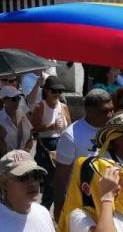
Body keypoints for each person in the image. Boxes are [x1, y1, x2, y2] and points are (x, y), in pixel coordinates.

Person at [53, 89, 115, 215]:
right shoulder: (71, 136)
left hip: (112, 199)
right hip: (82, 206)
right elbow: (60, 179)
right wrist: (59, 213)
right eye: (104, 111)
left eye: (111, 110)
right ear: (89, 111)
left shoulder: (113, 130)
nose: (110, 115)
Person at [58, 158, 123, 232]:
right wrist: (107, 196)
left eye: (117, 182)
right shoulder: (78, 215)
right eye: (109, 183)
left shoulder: (116, 210)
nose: (118, 188)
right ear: (86, 188)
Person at [0, 150, 54, 232]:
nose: (33, 183)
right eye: (23, 177)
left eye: (36, 175)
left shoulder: (43, 213)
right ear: (4, 183)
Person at [32, 78, 71, 208]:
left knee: (63, 181)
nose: (57, 94)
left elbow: (70, 127)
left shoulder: (63, 106)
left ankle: (60, 213)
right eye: (54, 91)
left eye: (60, 91)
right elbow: (33, 129)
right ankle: (45, 211)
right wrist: (50, 127)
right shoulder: (40, 106)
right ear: (47, 91)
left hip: (62, 144)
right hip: (46, 146)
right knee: (51, 183)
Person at [0, 87, 34, 156]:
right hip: (7, 163)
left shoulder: (23, 116)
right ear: (4, 100)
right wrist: (0, 139)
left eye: (18, 98)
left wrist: (25, 152)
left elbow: (30, 139)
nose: (16, 102)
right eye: (13, 99)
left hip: (25, 161)